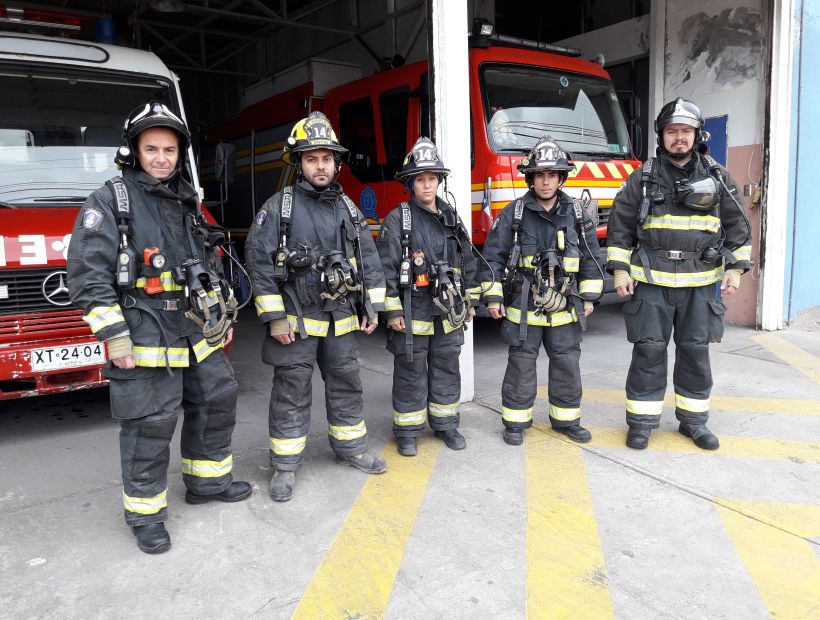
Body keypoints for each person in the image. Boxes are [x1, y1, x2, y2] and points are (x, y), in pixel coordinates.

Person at [67, 102, 251, 555]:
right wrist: (114, 335)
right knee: (150, 424)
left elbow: (209, 265)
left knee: (216, 400)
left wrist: (220, 315)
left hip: (194, 330)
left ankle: (207, 484)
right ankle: (146, 515)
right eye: (152, 148)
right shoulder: (110, 201)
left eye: (169, 149)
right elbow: (87, 276)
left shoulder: (186, 200)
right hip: (145, 334)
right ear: (134, 150)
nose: (162, 158)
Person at [246, 111, 387, 502]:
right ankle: (286, 466)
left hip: (341, 320)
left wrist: (372, 307)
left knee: (347, 383)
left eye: (326, 158)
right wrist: (274, 318)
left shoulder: (348, 207)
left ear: (336, 163)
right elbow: (259, 263)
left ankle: (351, 448)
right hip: (296, 322)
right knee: (291, 391)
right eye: (312, 159)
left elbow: (369, 259)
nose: (320, 166)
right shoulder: (279, 209)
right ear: (299, 163)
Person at [606, 97, 752, 450]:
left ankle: (694, 422)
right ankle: (641, 423)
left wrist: (735, 269)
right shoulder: (642, 178)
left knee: (695, 354)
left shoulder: (717, 177)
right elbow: (620, 227)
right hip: (652, 282)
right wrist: (622, 271)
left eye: (686, 131)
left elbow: (738, 229)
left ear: (697, 134)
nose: (679, 138)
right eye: (672, 131)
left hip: (700, 285)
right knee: (648, 352)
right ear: (661, 135)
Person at [481, 135, 604, 446]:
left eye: (552, 175)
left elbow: (592, 257)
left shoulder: (577, 213)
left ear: (561, 177)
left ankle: (566, 421)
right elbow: (493, 256)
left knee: (566, 362)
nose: (546, 181)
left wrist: (589, 296)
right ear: (531, 178)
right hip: (524, 306)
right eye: (540, 175)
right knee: (521, 363)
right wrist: (493, 296)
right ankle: (515, 421)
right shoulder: (514, 214)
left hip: (566, 306)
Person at [376, 137, 480, 456]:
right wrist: (392, 312)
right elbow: (385, 268)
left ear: (439, 180)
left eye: (432, 178)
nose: (427, 185)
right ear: (411, 183)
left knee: (447, 365)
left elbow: (470, 259)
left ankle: (446, 425)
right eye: (420, 179)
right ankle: (408, 430)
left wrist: (470, 300)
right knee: (411, 369)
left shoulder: (451, 217)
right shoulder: (398, 220)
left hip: (448, 310)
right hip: (413, 309)